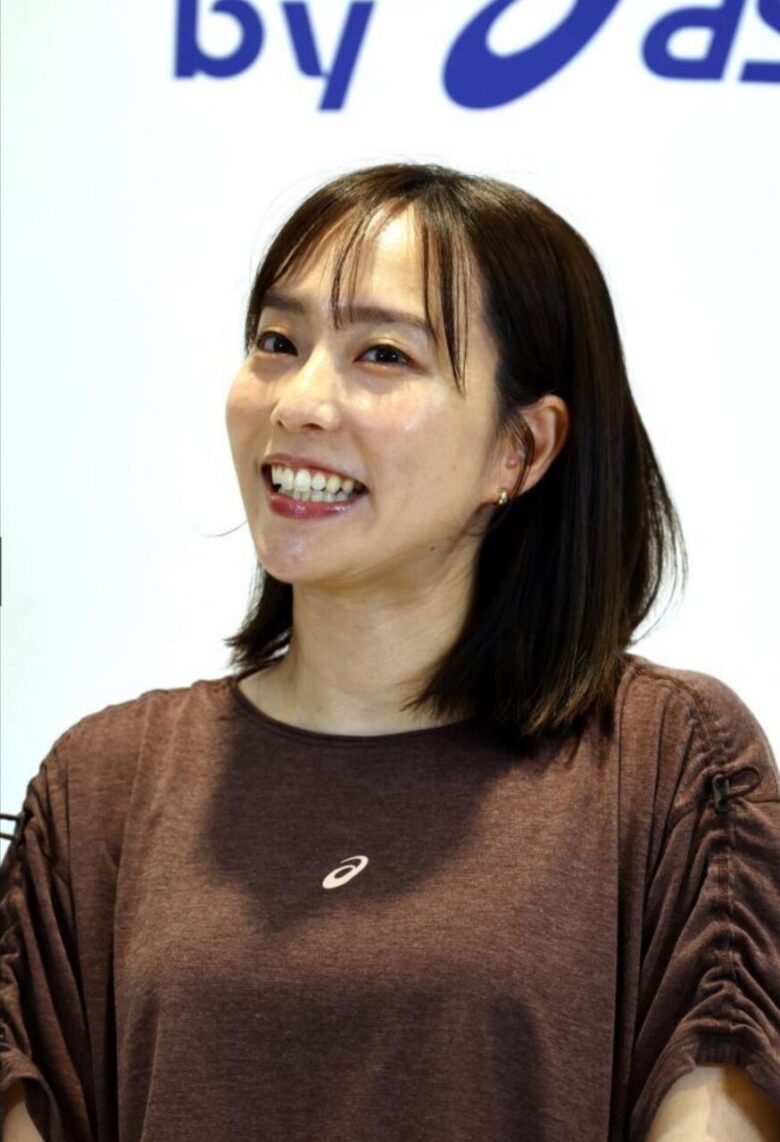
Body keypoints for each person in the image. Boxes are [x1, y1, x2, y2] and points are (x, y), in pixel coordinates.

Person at [1, 163, 779, 1142]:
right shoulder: (103, 782)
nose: (300, 402)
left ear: (523, 449)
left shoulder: (667, 758)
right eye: (277, 343)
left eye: (382, 354)